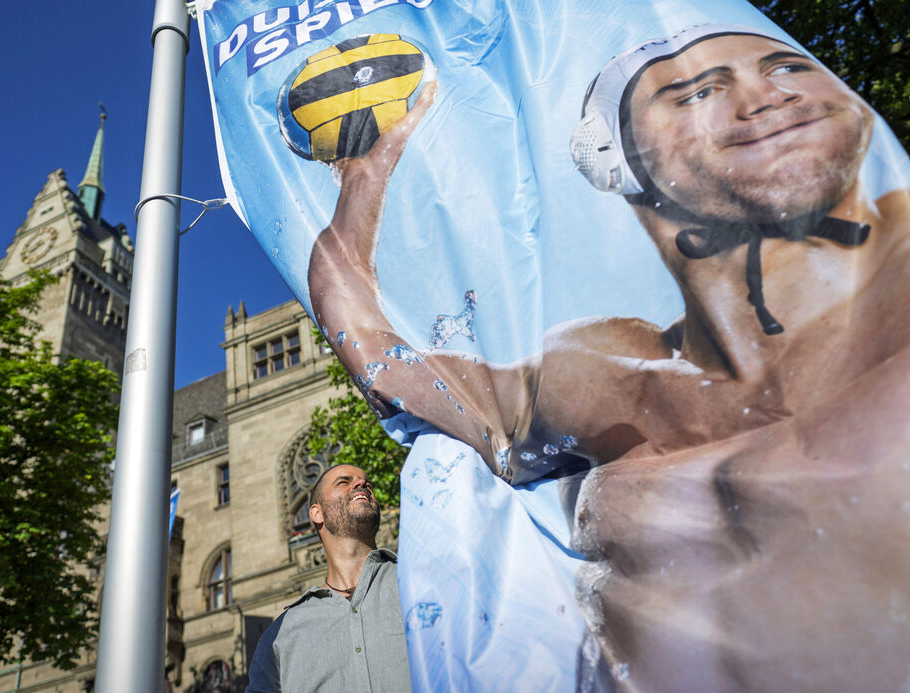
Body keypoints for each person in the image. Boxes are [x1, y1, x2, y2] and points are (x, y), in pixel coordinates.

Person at [305, 24, 910, 691]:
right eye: (699, 90)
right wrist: (367, 173)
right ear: (610, 156)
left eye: (789, 68)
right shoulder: (602, 376)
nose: (768, 95)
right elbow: (384, 363)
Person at [246, 464, 411, 693]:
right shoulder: (280, 636)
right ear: (317, 513)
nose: (362, 483)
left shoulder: (415, 584)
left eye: (367, 483)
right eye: (344, 482)